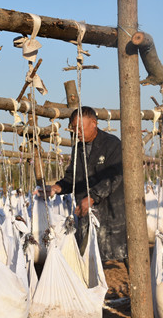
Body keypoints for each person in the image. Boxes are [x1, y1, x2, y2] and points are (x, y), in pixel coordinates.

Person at [44, 106, 127, 264]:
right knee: (88, 259)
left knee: (125, 253)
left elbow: (114, 177)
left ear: (93, 123)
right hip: (85, 213)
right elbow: (72, 178)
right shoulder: (77, 149)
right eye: (73, 128)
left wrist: (92, 197)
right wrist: (56, 188)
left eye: (79, 127)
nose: (76, 131)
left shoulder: (112, 144)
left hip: (111, 211)